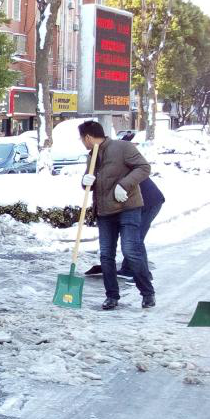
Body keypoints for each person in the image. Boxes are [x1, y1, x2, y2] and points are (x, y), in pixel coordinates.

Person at [79, 120, 154, 310]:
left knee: (130, 251)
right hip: (104, 212)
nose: (82, 142)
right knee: (106, 256)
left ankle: (147, 293)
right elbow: (91, 182)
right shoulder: (92, 156)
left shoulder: (122, 147)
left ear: (88, 137)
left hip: (128, 208)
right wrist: (85, 180)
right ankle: (112, 296)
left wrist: (124, 184)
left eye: (81, 139)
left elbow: (144, 168)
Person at [84, 176, 165, 280]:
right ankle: (128, 269)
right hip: (136, 202)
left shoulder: (116, 167)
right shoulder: (101, 167)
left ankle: (142, 275)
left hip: (148, 201)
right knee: (132, 238)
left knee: (135, 239)